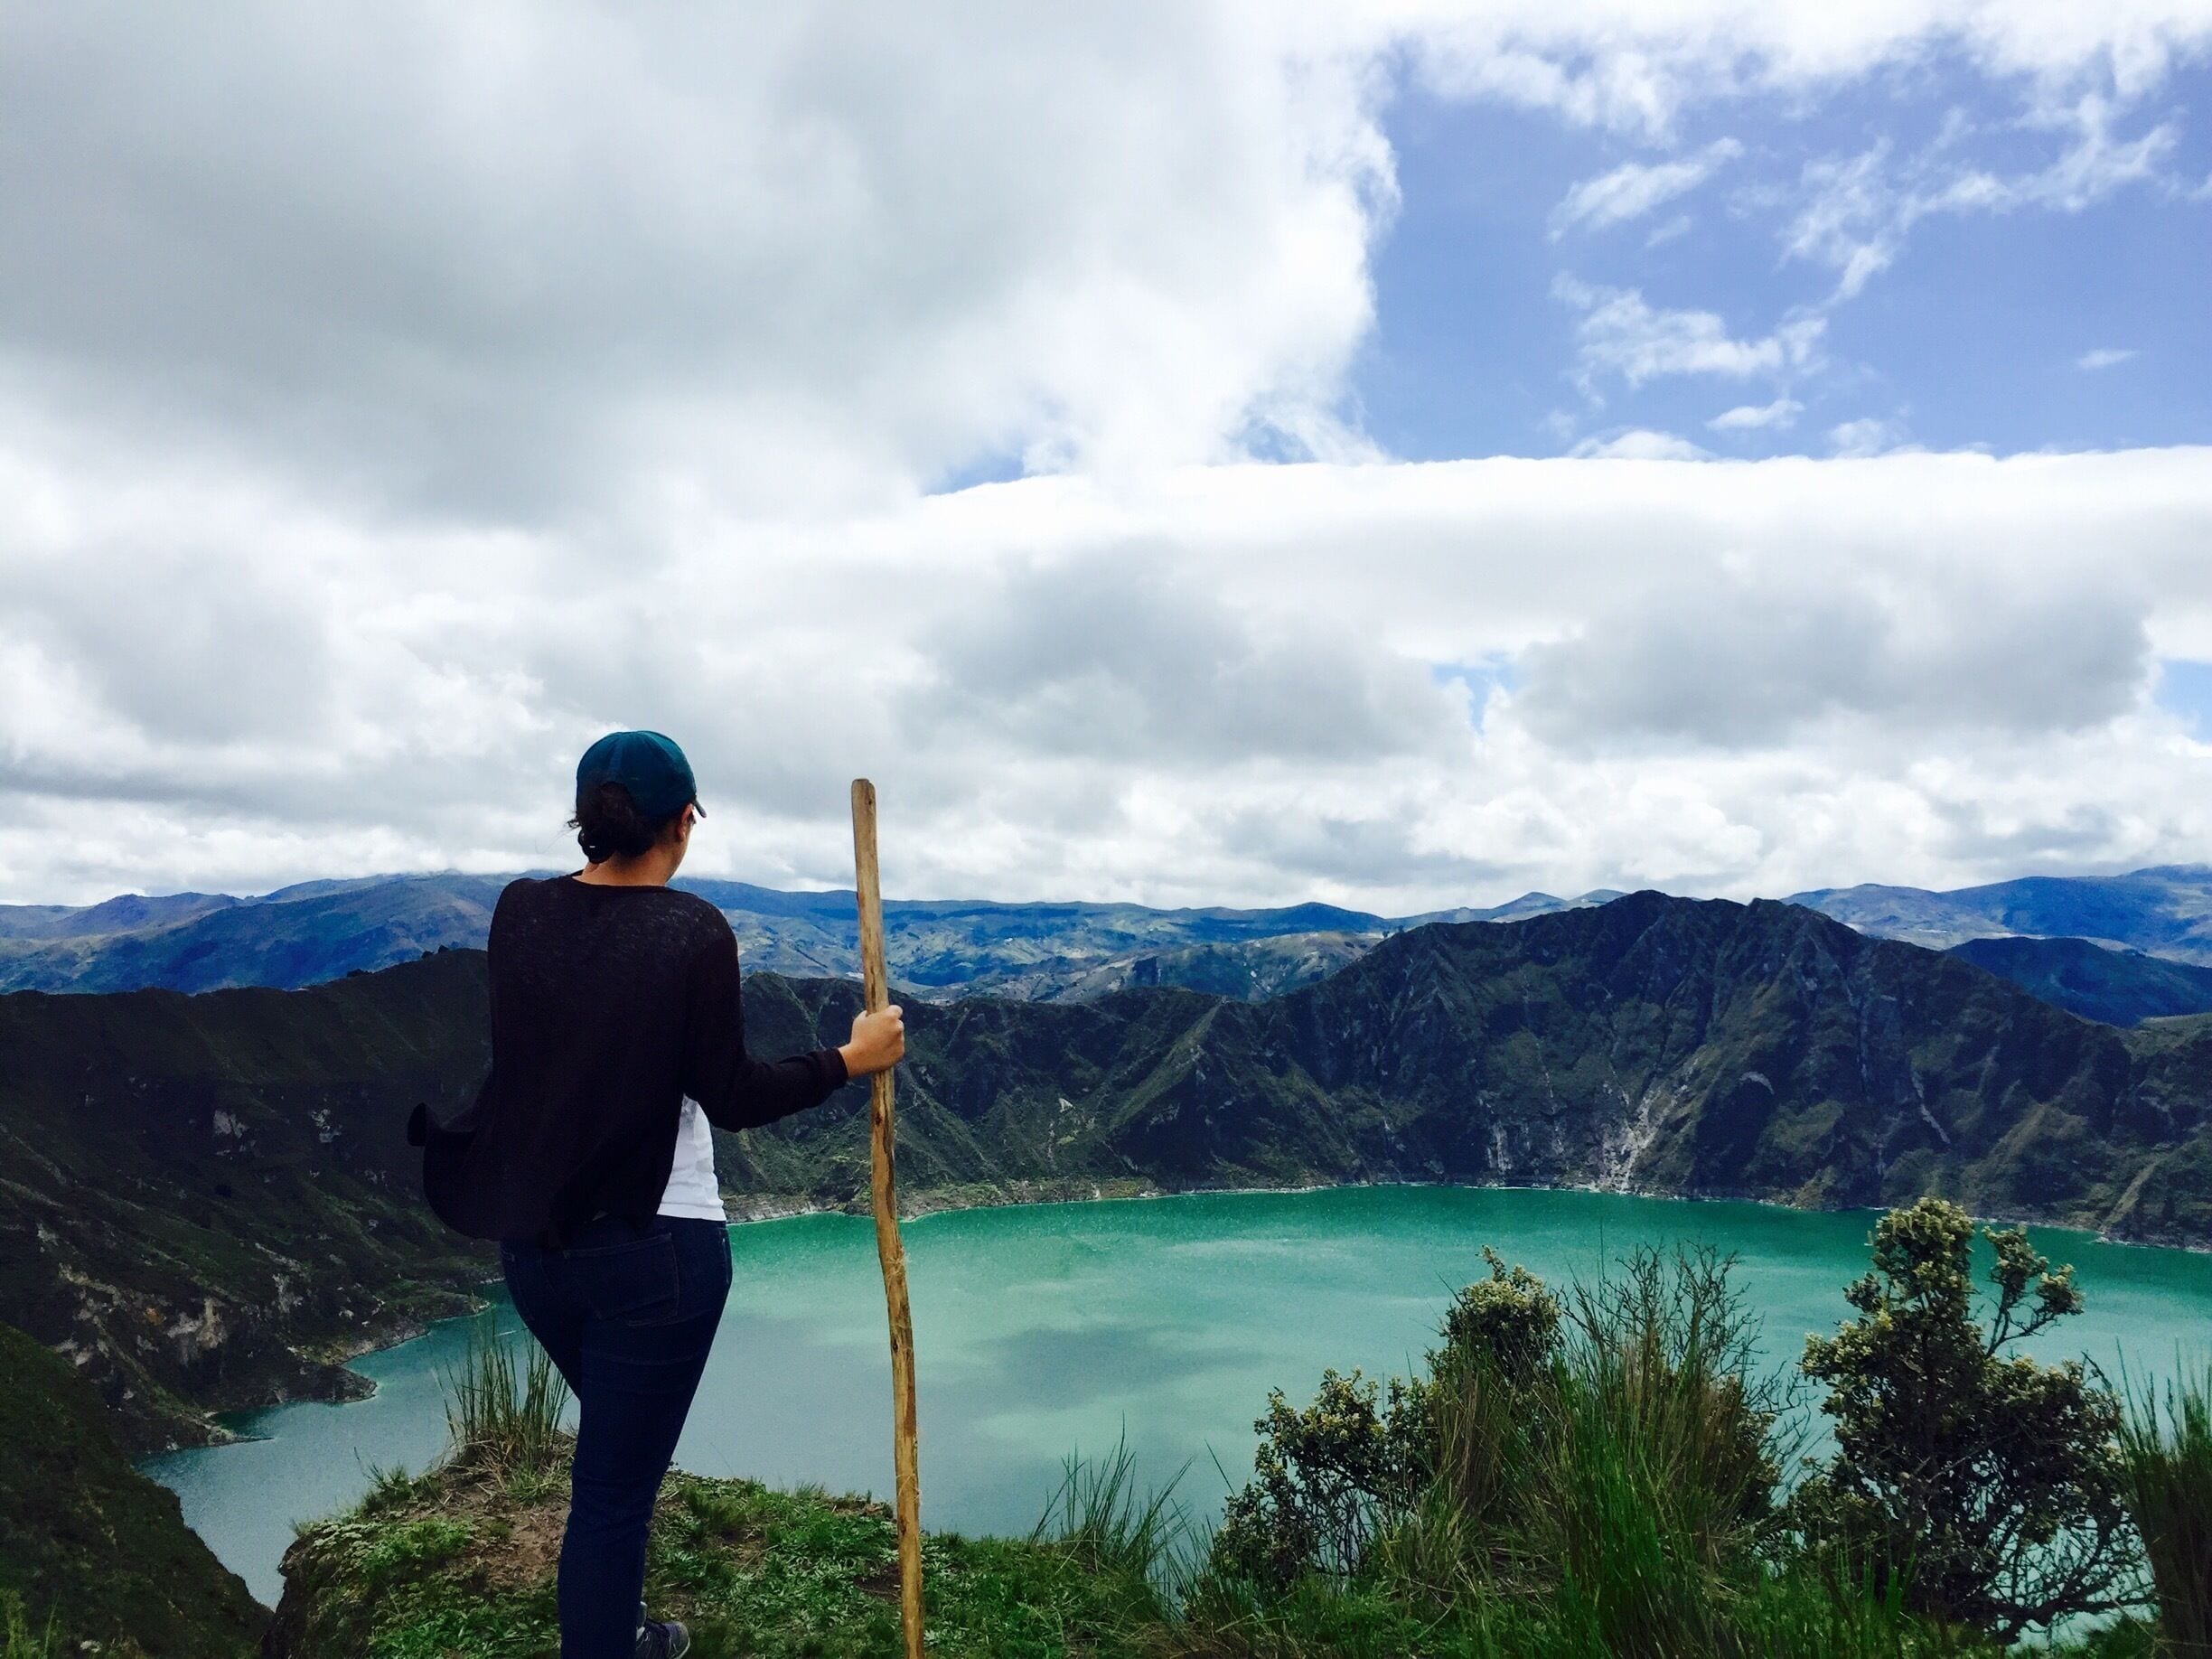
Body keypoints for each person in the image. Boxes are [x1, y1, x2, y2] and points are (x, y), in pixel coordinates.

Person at [411, 729, 905, 1659]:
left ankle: (621, 1631)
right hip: (658, 1254)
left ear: (586, 821)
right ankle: (612, 1642)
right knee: (611, 1493)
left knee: (616, 1467)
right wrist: (851, 1058)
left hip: (534, 1249)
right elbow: (734, 1095)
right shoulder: (692, 932)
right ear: (683, 822)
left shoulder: (519, 913)